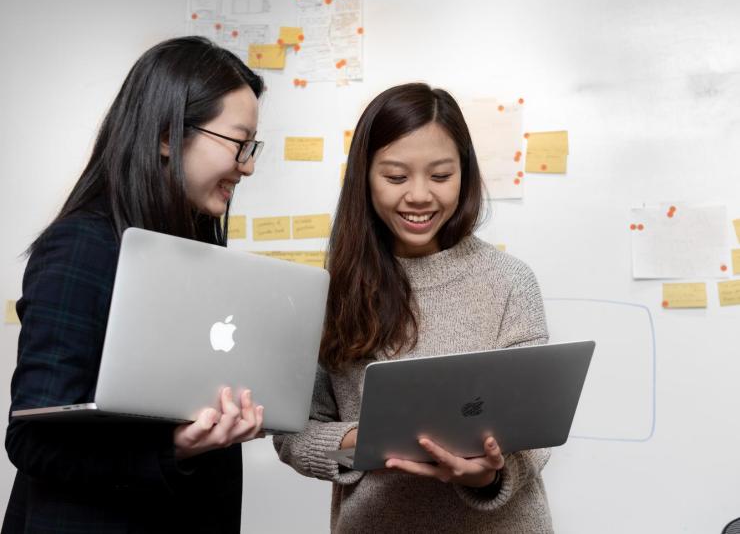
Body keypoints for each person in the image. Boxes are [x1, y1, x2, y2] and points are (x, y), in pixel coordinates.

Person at [4, 36, 267, 533]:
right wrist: (173, 449)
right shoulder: (82, 245)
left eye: (252, 147)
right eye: (238, 144)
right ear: (168, 135)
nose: (248, 165)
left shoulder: (190, 251)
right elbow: (31, 440)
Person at [274, 83, 553, 533]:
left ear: (465, 175)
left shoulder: (509, 281)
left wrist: (491, 473)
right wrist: (365, 441)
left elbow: (536, 431)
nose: (420, 195)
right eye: (396, 177)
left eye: (441, 176)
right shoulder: (331, 291)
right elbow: (293, 432)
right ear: (364, 178)